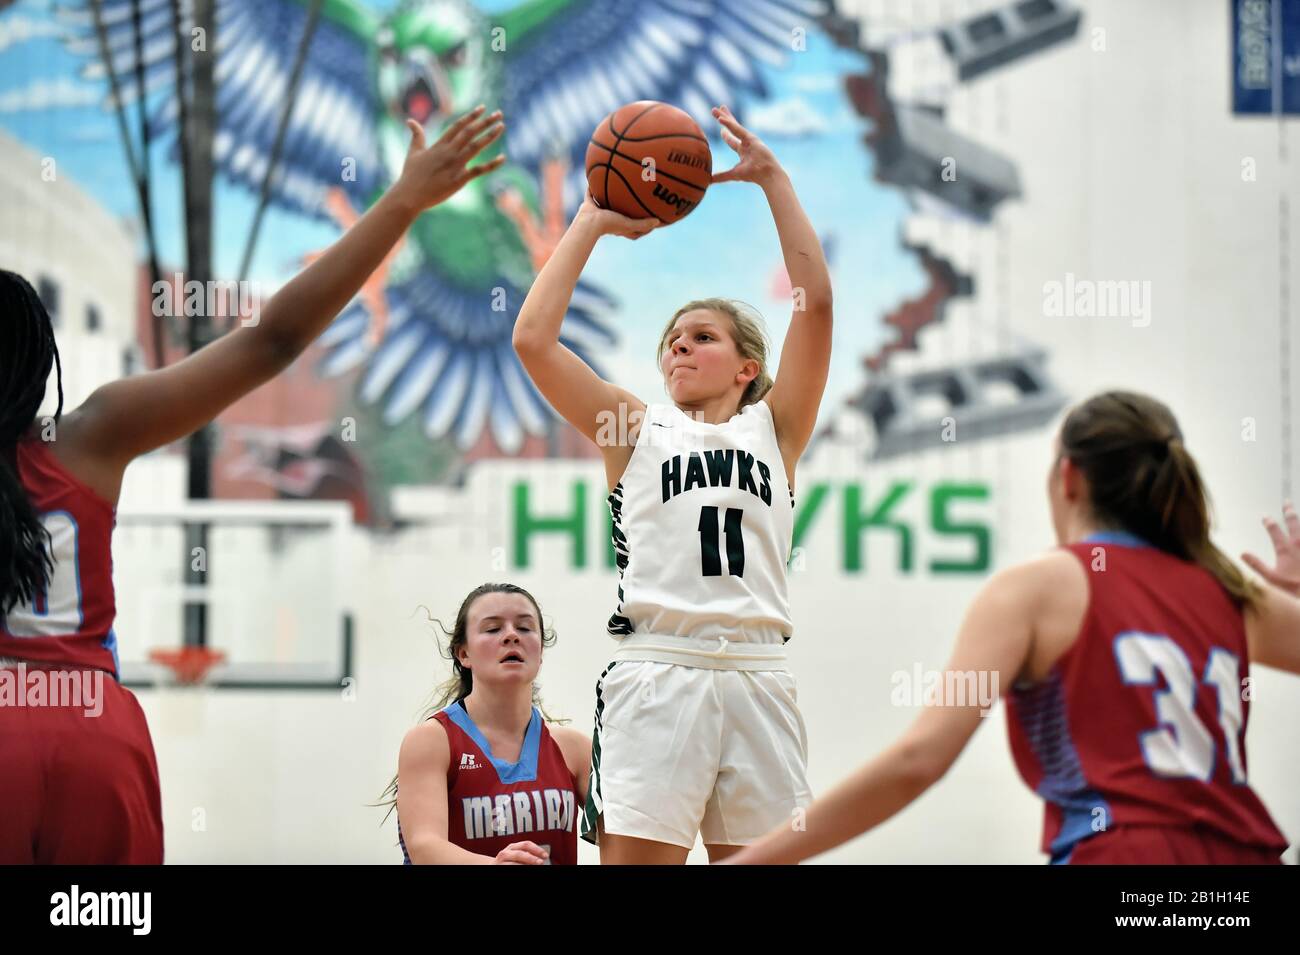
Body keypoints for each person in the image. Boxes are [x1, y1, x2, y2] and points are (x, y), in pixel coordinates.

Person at [0, 105, 507, 864]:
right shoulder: (91, 433)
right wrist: (401, 202)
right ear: (41, 360)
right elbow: (273, 340)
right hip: (93, 731)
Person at [725, 391, 1298, 865]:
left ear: (1068, 477)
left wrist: (753, 861)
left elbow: (919, 762)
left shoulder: (1040, 587)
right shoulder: (1232, 593)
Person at [512, 104, 834, 863]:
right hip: (660, 672)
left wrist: (774, 181)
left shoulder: (775, 428)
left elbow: (815, 303)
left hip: (758, 672)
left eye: (702, 338)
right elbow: (532, 338)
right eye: (672, 341)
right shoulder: (633, 427)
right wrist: (590, 221)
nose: (680, 349)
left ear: (748, 366)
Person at [383, 583, 591, 864]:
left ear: (540, 652)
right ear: (463, 654)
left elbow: (626, 839)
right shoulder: (432, 741)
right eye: (493, 629)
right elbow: (425, 847)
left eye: (525, 627)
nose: (511, 636)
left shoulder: (575, 749)